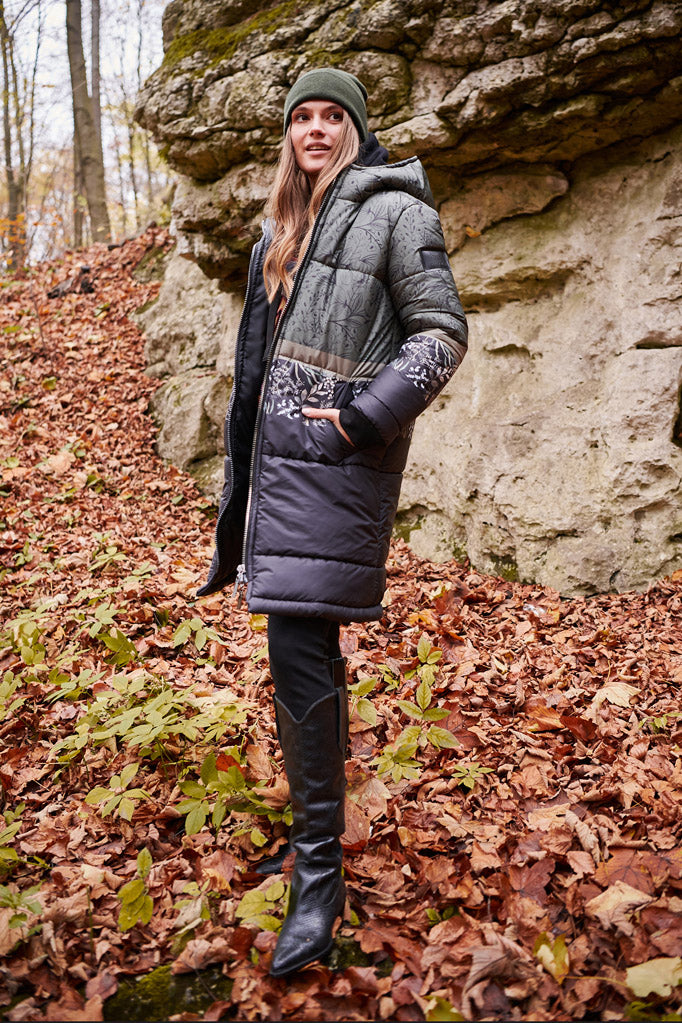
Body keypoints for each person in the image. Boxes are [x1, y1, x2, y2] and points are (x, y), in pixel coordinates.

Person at [197, 68, 468, 977]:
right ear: (289, 133)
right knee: (303, 646)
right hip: (280, 469)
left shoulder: (396, 211)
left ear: (355, 128)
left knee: (297, 643)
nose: (315, 129)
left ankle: (319, 871)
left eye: (332, 116)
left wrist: (359, 420)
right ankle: (318, 842)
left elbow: (441, 334)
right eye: (302, 117)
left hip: (335, 462)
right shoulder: (278, 229)